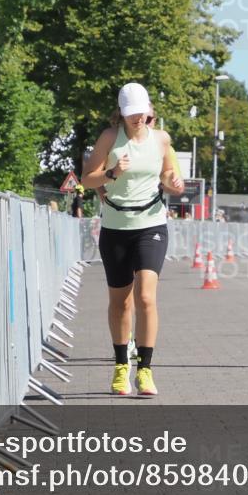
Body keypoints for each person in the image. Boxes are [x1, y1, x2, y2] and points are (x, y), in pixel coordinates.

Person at [80, 83, 184, 396]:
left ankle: (146, 371)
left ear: (150, 109)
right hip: (115, 227)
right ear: (122, 115)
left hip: (151, 224)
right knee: (120, 302)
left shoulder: (161, 139)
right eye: (131, 114)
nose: (138, 118)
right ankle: (121, 365)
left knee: (146, 297)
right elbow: (87, 179)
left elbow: (169, 176)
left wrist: (172, 181)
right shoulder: (110, 138)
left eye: (142, 112)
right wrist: (112, 173)